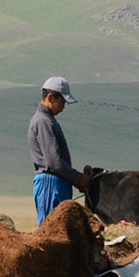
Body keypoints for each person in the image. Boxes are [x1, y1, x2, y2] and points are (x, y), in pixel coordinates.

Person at [29, 76, 91, 226]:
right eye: (62, 102)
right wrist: (77, 178)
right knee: (50, 232)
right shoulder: (43, 121)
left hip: (58, 182)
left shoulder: (48, 120)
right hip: (50, 183)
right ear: (50, 97)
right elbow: (54, 162)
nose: (63, 107)